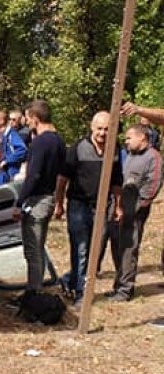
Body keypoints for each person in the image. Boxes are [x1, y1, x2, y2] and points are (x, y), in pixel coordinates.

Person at [54, 111, 122, 305]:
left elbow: (117, 180)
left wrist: (118, 206)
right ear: (92, 128)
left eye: (107, 129)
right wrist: (59, 203)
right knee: (82, 249)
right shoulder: (78, 148)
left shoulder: (114, 149)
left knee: (96, 250)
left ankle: (70, 280)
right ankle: (81, 294)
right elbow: (62, 178)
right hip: (78, 205)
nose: (102, 133)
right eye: (99, 128)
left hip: (103, 205)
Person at [14, 99, 66, 292]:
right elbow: (62, 173)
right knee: (39, 245)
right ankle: (35, 287)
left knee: (33, 249)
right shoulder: (59, 141)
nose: (27, 123)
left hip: (37, 201)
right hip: (50, 197)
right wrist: (59, 200)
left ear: (35, 118)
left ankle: (33, 291)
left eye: (28, 118)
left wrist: (20, 203)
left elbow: (33, 175)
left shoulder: (40, 143)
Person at [108, 124, 163, 302]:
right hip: (120, 209)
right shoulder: (130, 155)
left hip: (135, 212)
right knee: (118, 247)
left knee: (129, 249)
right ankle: (119, 284)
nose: (127, 141)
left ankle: (125, 289)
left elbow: (153, 185)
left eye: (130, 137)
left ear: (142, 138)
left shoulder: (153, 157)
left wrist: (138, 207)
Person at [0, 112, 29, 186]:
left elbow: (22, 149)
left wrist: (7, 161)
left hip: (8, 173)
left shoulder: (11, 134)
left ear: (1, 121)